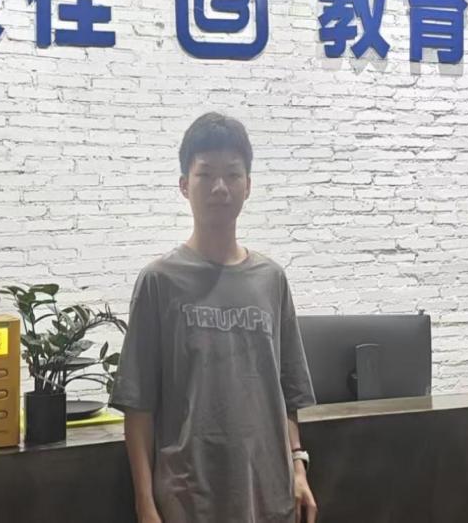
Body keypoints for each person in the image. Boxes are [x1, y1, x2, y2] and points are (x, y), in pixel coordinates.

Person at [110, 112, 318, 523]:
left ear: (248, 185)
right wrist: (144, 503)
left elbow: (287, 394)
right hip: (188, 498)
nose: (220, 187)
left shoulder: (271, 280)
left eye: (232, 174)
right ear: (184, 185)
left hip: (269, 495)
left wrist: (298, 468)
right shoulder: (159, 282)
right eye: (206, 174)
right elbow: (138, 407)